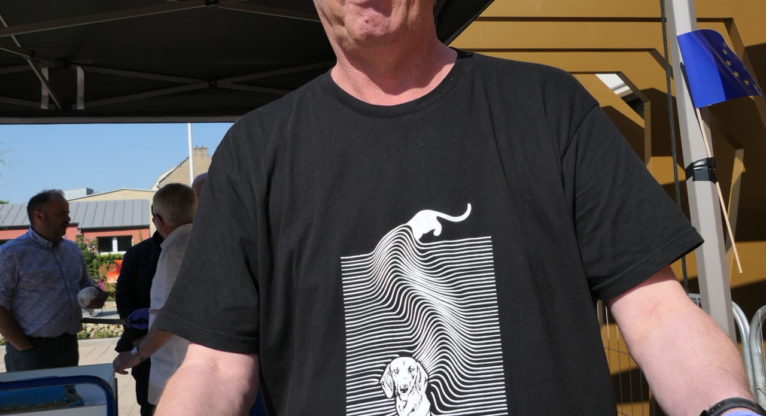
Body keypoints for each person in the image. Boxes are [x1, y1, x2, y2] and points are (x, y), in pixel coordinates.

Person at [152, 1, 764, 415]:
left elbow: (656, 310)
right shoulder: (255, 152)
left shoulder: (547, 106)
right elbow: (215, 366)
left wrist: (731, 409)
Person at [0, 189, 106, 371]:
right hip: (29, 351)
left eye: (67, 213)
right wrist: (24, 348)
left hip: (68, 346)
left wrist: (95, 297)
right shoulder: (11, 254)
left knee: (69, 390)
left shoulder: (72, 250)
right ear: (39, 216)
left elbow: (84, 287)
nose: (67, 219)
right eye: (61, 213)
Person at [112, 183, 196, 405]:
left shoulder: (173, 251)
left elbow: (169, 317)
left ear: (158, 220)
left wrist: (136, 354)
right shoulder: (209, 244)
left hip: (177, 364)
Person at [114, 228, 163, 416]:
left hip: (190, 350)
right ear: (157, 220)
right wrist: (138, 342)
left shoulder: (201, 248)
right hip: (146, 350)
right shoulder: (139, 253)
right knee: (151, 405)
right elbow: (124, 300)